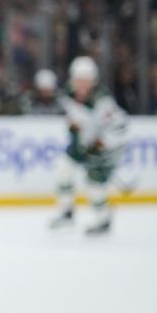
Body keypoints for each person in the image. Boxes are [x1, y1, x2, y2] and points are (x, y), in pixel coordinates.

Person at [50, 56, 128, 236]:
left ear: (94, 81)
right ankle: (67, 212)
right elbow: (74, 116)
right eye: (78, 80)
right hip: (83, 143)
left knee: (94, 185)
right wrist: (74, 128)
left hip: (105, 150)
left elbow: (120, 128)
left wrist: (102, 143)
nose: (82, 85)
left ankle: (103, 219)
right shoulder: (68, 93)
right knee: (63, 169)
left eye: (86, 81)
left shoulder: (103, 102)